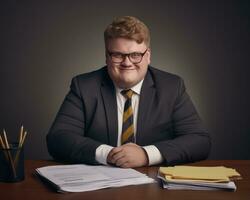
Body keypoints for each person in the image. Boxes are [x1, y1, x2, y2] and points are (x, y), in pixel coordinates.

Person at [47, 16, 211, 168]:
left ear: (148, 56)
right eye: (118, 55)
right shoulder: (84, 86)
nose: (127, 63)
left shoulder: (171, 87)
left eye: (135, 55)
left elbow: (199, 141)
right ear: (107, 56)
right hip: (99, 188)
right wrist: (109, 154)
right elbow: (58, 138)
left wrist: (146, 155)